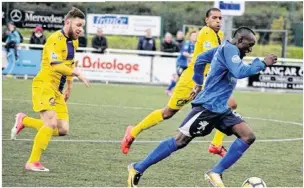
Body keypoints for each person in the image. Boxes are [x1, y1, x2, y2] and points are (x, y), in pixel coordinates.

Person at [127, 26, 278, 187]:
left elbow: (199, 59)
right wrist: (263, 63)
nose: (250, 49)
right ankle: (137, 168)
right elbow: (240, 72)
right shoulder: (229, 49)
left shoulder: (225, 50)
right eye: (249, 44)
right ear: (240, 40)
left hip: (221, 109)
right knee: (180, 141)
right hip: (207, 107)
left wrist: (198, 83)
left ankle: (215, 172)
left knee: (248, 136)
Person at [121, 8, 234, 157]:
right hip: (192, 80)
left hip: (207, 80)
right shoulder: (206, 32)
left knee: (229, 103)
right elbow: (213, 57)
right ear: (207, 20)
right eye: (214, 18)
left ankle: (216, 145)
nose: (218, 21)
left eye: (220, 18)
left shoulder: (218, 34)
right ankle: (133, 132)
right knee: (168, 112)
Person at [10, 7, 90, 172]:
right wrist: (76, 73)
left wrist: (69, 85)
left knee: (62, 129)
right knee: (51, 123)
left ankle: (24, 121)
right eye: (78, 25)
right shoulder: (55, 39)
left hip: (57, 90)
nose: (80, 29)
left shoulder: (74, 41)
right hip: (44, 85)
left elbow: (69, 63)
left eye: (82, 26)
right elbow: (56, 65)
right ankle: (32, 162)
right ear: (68, 22)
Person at [165, 31, 197, 95]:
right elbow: (184, 53)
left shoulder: (196, 44)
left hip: (188, 64)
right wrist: (192, 56)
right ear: (190, 37)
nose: (195, 37)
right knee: (178, 76)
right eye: (193, 36)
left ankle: (186, 91)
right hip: (181, 63)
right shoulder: (188, 43)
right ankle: (168, 89)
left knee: (189, 78)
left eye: (196, 35)